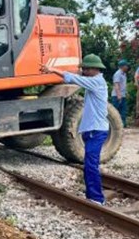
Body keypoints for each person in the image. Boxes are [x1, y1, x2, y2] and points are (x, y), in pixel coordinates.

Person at [42, 54, 109, 205]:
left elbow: (74, 79)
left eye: (86, 68)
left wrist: (52, 69)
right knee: (89, 163)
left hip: (96, 130)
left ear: (94, 69)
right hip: (92, 130)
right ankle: (92, 195)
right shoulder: (95, 81)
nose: (83, 71)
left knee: (91, 165)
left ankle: (97, 199)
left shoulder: (96, 82)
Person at [112, 60, 131, 128]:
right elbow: (116, 84)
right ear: (123, 66)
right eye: (126, 65)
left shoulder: (124, 74)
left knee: (123, 110)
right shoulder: (118, 74)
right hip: (117, 95)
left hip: (123, 95)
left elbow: (123, 85)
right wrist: (119, 95)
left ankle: (123, 124)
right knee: (116, 111)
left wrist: (126, 93)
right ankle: (114, 125)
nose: (127, 67)